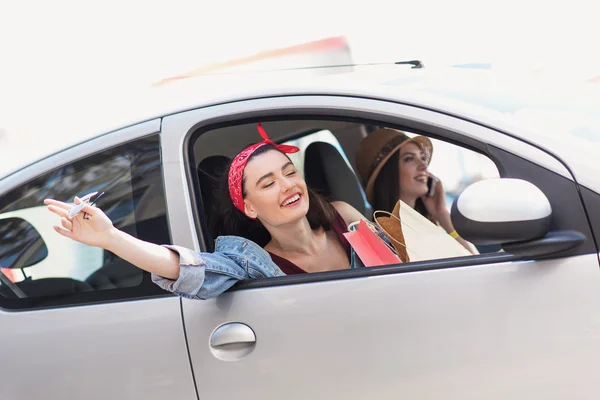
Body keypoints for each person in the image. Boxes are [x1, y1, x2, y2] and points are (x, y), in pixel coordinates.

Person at [44, 124, 365, 300]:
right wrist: (112, 238)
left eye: (289, 172)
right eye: (268, 184)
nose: (288, 185)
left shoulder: (345, 217)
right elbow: (187, 268)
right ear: (249, 207)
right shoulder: (250, 262)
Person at [355, 127, 477, 254]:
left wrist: (442, 214)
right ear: (388, 174)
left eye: (422, 158)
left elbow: (475, 261)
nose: (423, 165)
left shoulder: (428, 224)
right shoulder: (383, 238)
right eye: (409, 159)